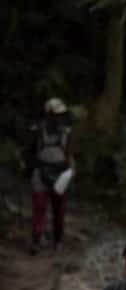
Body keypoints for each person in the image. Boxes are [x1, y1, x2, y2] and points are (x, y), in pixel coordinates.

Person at [28, 98, 74, 255]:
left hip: (60, 173)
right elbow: (30, 151)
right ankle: (36, 240)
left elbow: (69, 154)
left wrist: (69, 173)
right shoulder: (38, 130)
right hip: (41, 172)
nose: (59, 118)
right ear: (48, 114)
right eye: (55, 114)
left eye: (61, 115)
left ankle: (58, 240)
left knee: (58, 210)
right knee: (39, 208)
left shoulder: (66, 132)